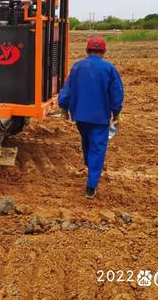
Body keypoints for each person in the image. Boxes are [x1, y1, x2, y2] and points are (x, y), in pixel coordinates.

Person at [58, 36, 124, 199]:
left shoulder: (77, 67)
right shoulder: (109, 68)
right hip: (100, 118)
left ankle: (90, 166)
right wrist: (116, 113)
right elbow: (116, 93)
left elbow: (66, 90)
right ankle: (91, 186)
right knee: (97, 148)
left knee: (87, 142)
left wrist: (64, 108)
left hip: (80, 117)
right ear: (103, 51)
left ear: (87, 50)